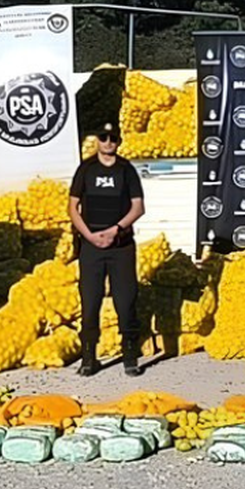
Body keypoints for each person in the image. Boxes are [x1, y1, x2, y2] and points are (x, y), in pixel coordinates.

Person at [69, 122, 146, 377]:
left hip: (120, 246)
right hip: (92, 247)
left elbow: (138, 207)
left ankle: (130, 355)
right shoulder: (86, 169)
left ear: (119, 141)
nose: (108, 142)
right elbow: (72, 207)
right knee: (90, 302)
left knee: (126, 302)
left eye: (113, 138)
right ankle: (89, 357)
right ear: (98, 140)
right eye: (104, 137)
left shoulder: (126, 170)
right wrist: (88, 235)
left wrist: (116, 229)